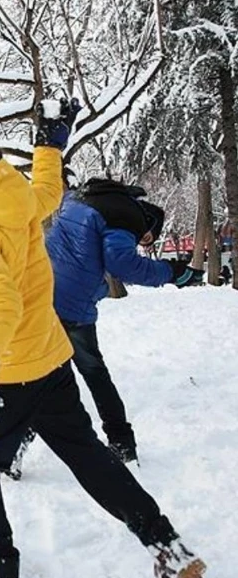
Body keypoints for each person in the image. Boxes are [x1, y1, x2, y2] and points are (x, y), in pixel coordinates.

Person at [0, 99, 205, 578]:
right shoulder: (15, 200)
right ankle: (168, 547)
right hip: (52, 360)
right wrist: (49, 145)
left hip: (10, 370)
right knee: (89, 455)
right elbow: (47, 191)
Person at [39, 178, 203, 464]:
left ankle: (12, 447)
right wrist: (171, 272)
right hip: (73, 305)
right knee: (93, 373)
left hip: (40, 294)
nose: (143, 241)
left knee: (38, 377)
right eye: (147, 238)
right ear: (148, 223)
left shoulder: (81, 198)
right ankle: (122, 443)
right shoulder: (127, 217)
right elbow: (123, 263)